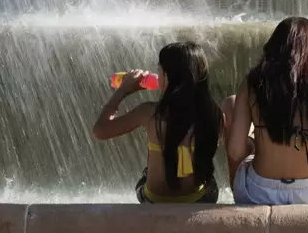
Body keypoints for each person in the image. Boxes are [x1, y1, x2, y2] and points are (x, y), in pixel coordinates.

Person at [223, 16, 308, 205]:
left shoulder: (253, 82)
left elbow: (236, 151)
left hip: (257, 193)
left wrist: (256, 145)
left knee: (232, 103)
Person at [92, 42, 224, 204]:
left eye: (159, 70)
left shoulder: (149, 113)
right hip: (196, 199)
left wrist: (123, 90)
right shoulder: (214, 113)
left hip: (155, 200)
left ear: (167, 77)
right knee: (209, 180)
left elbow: (100, 130)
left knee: (146, 173)